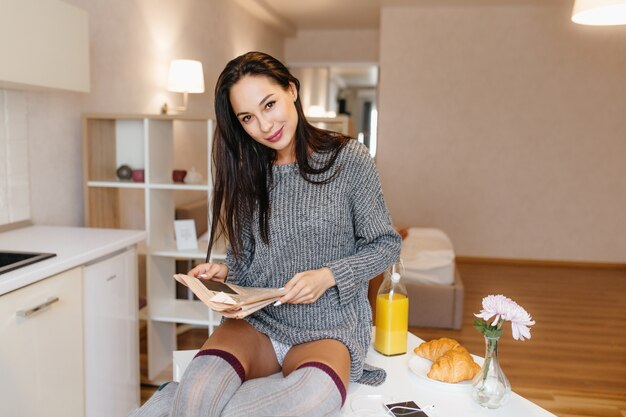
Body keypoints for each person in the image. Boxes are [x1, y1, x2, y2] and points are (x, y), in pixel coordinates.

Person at [131, 51, 401, 417]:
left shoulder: (347, 159)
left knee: (309, 398)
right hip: (258, 322)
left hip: (328, 325)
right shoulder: (246, 171)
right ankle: (185, 400)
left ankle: (171, 403)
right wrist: (226, 274)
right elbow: (246, 260)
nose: (264, 125)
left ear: (291, 90)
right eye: (248, 117)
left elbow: (386, 244)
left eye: (269, 104)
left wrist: (328, 276)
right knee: (196, 397)